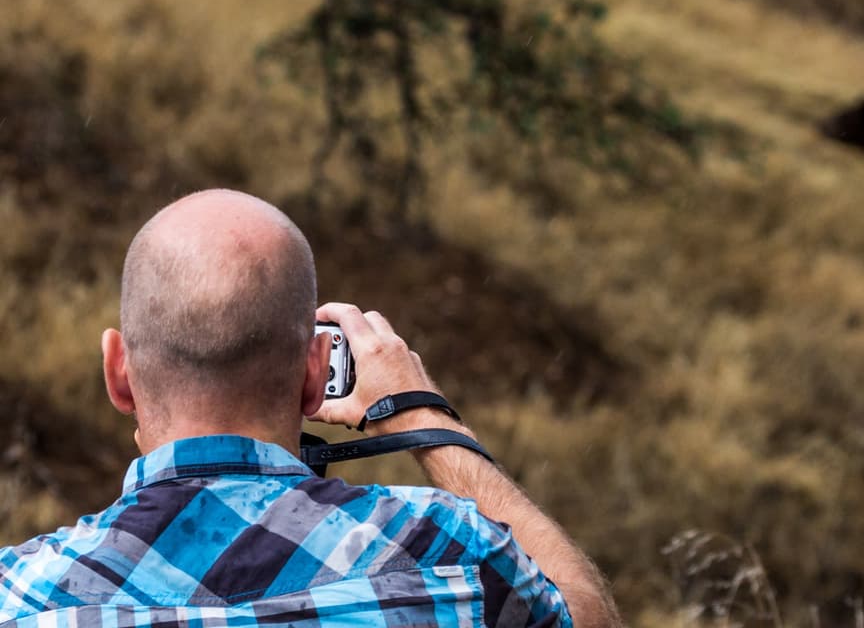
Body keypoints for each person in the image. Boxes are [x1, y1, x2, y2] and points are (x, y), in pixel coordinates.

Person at [0, 189, 621, 627]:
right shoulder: (449, 555)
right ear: (317, 373)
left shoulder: (19, 595)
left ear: (118, 373)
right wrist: (421, 416)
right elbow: (585, 616)